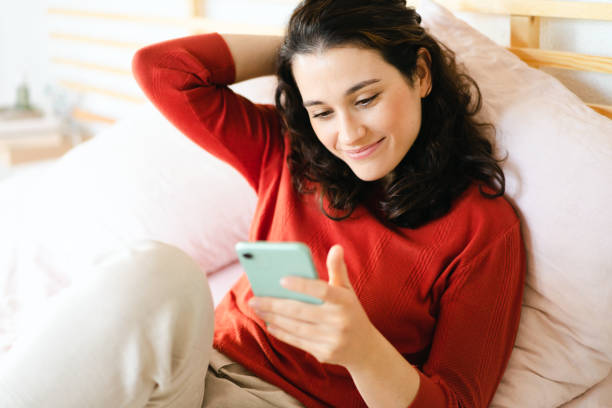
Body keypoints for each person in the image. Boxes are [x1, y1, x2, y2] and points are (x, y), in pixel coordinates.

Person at [0, 0, 525, 407]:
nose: (347, 134)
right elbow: (162, 69)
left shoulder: (482, 226)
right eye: (321, 110)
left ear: (421, 73)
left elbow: (458, 400)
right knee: (157, 270)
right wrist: (303, 54)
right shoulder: (291, 151)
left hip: (281, 401)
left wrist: (363, 353)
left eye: (365, 98)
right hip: (194, 365)